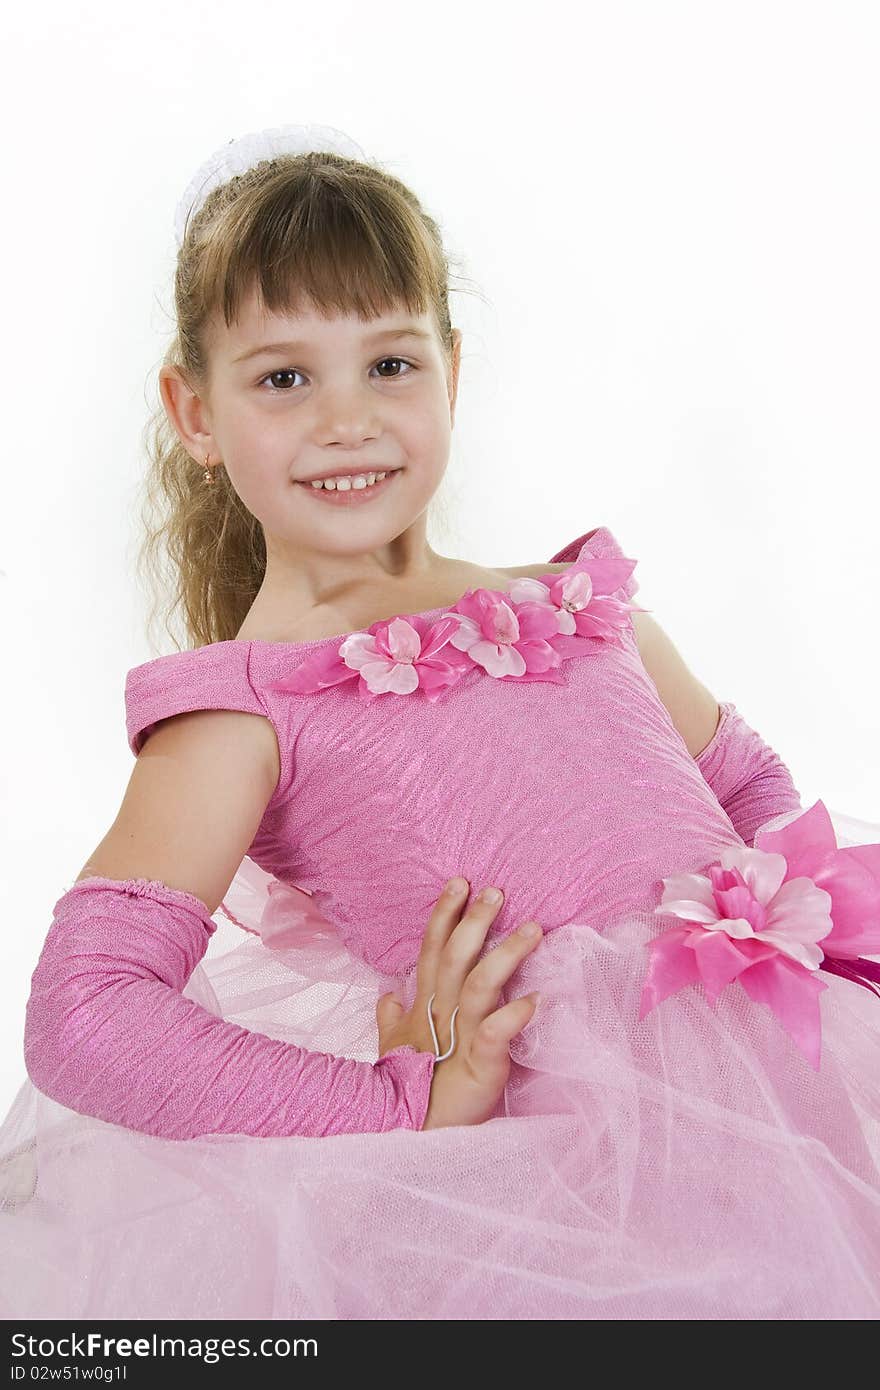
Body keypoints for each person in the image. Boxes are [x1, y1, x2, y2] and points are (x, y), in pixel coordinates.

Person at [1, 123, 879, 1321]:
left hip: (811, 1083)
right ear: (194, 413)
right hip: (568, 1159)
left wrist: (807, 938)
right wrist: (399, 1103)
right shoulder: (246, 708)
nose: (347, 418)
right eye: (283, 376)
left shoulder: (578, 604)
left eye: (390, 364)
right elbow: (86, 1011)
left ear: (452, 372)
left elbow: (746, 783)